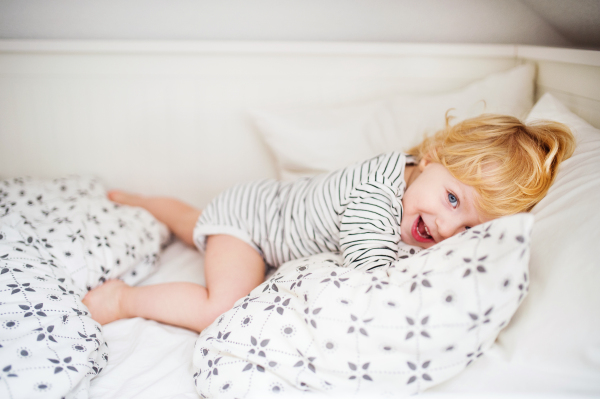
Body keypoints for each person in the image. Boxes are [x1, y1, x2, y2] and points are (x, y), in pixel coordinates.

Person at [82, 114, 575, 333]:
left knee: (195, 223)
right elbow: (378, 282)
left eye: (469, 228)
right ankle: (123, 298)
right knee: (220, 306)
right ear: (431, 157)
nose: (447, 228)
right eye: (452, 199)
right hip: (253, 227)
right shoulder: (373, 202)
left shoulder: (413, 176)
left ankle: (148, 203)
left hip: (261, 201)